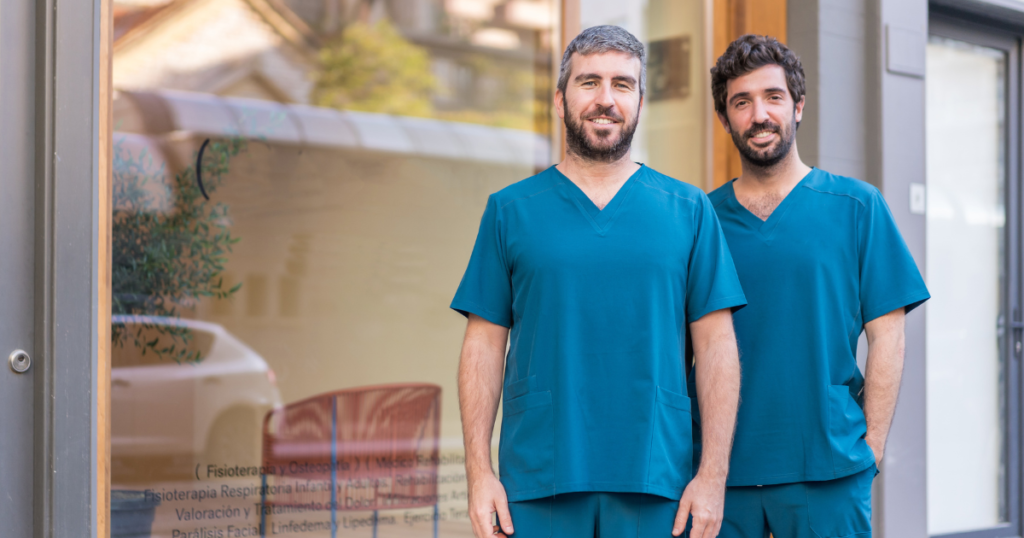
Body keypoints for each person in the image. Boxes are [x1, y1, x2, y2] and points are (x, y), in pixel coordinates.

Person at [452, 25, 747, 538]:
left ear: (639, 101)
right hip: (539, 477)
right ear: (560, 97)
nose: (605, 100)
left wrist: (712, 476)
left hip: (658, 480)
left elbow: (717, 346)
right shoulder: (511, 211)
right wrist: (480, 475)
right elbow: (482, 344)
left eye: (622, 84)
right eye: (589, 82)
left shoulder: (688, 210)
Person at [703, 34, 931, 538]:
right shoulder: (700, 221)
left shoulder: (856, 207)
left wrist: (869, 449)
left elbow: (888, 335)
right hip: (722, 478)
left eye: (773, 97)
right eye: (741, 102)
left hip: (828, 471)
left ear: (798, 106)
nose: (758, 114)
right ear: (725, 119)